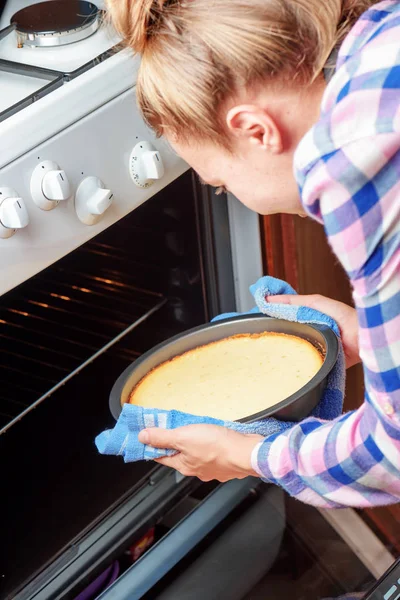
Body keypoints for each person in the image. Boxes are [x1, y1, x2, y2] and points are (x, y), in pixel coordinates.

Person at [107, 0, 400, 509]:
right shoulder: (382, 37)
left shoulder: (357, 167)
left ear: (256, 131)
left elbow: (391, 456)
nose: (228, 194)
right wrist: (372, 333)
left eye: (219, 184)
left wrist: (252, 453)